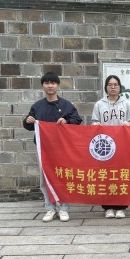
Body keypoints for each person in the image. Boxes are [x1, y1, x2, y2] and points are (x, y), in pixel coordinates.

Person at [23, 72, 83, 223]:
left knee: (63, 177)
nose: (50, 86)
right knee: (45, 178)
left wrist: (66, 121)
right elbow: (29, 125)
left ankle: (63, 208)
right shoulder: (37, 106)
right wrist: (28, 121)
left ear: (58, 86)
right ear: (42, 86)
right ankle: (50, 208)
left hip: (62, 148)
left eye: (53, 83)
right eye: (47, 83)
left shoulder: (66, 105)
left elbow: (77, 120)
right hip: (43, 149)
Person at [91, 74, 130, 219]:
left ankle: (122, 207)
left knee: (122, 175)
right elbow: (93, 122)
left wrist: (129, 124)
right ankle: (107, 207)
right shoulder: (99, 104)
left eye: (115, 84)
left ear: (120, 87)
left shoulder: (126, 103)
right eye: (110, 85)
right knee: (105, 176)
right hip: (105, 146)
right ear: (106, 87)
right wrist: (96, 124)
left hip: (122, 145)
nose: (113, 87)